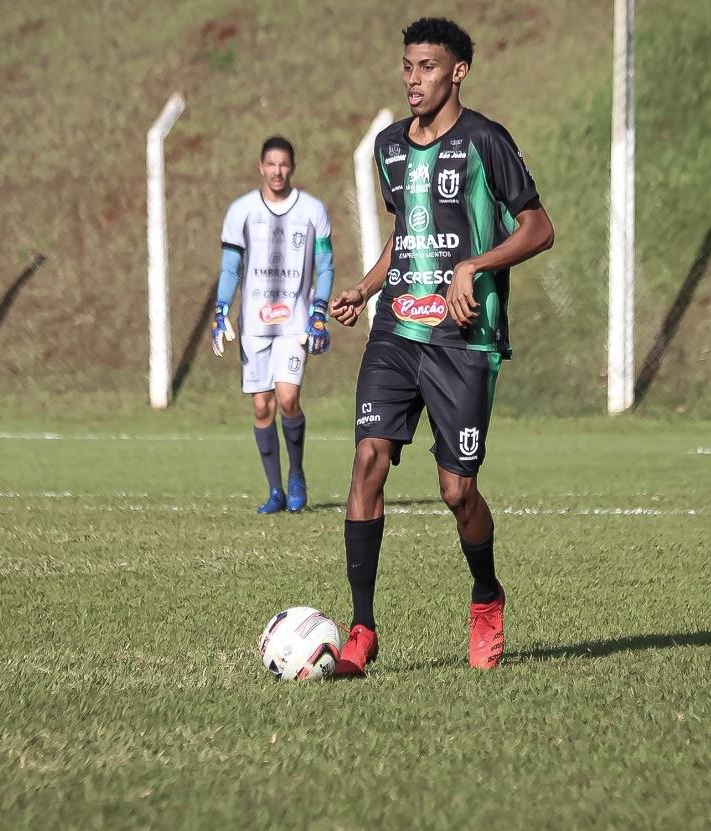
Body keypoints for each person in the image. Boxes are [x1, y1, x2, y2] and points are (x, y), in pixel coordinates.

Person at [328, 18, 554, 673]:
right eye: (406, 66)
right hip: (397, 329)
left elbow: (539, 228)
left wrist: (474, 267)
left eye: (426, 67)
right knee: (368, 459)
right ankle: (362, 629)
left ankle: (486, 594)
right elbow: (407, 230)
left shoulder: (487, 140)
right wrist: (368, 287)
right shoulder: (389, 146)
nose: (412, 80)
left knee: (458, 492)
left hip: (463, 341)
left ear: (457, 72)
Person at [212, 136, 334, 514]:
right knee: (263, 408)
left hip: (295, 324)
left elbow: (325, 265)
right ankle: (275, 491)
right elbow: (231, 267)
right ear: (261, 167)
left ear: (292, 168)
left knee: (287, 399)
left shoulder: (313, 210)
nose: (277, 171)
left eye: (284, 164)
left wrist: (319, 312)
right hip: (254, 325)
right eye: (271, 164)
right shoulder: (241, 211)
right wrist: (220, 310)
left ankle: (297, 475)